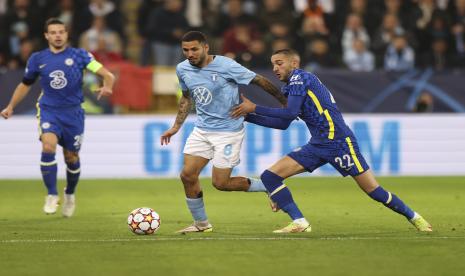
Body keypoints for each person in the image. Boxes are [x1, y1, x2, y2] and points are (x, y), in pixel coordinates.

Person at [231, 49, 432, 233]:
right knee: (270, 177)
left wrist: (254, 108)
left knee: (373, 190)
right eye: (273, 64)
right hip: (318, 144)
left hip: (338, 141)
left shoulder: (301, 78)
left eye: (280, 63)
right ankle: (300, 222)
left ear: (294, 63)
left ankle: (415, 217)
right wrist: (247, 117)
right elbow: (285, 122)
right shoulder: (290, 88)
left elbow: (289, 112)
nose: (275, 68)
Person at [160, 31, 287, 234]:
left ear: (206, 48)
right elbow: (186, 97)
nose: (189, 54)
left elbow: (260, 80)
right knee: (187, 175)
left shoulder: (226, 65)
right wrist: (176, 127)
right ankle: (201, 224)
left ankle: (267, 186)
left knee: (221, 183)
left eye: (194, 49)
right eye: (185, 50)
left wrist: (285, 103)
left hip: (228, 131)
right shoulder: (182, 69)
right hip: (202, 130)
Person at [1, 18, 115, 217]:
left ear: (66, 34)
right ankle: (52, 194)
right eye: (53, 32)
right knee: (48, 146)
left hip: (73, 113)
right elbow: (25, 84)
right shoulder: (37, 59)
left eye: (61, 32)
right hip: (49, 110)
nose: (57, 35)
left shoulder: (80, 55)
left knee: (71, 158)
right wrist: (10, 106)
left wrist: (108, 86)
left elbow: (107, 74)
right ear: (46, 36)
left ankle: (70, 194)